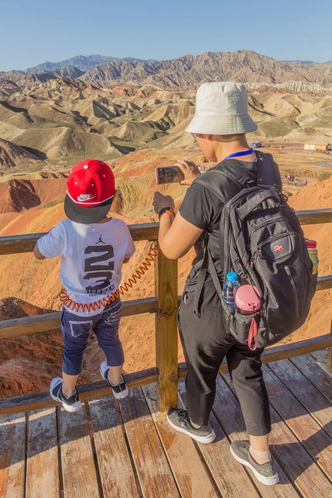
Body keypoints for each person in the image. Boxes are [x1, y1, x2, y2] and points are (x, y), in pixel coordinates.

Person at [152, 82, 280, 486]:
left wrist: (165, 212)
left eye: (197, 135)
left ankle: (198, 424)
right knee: (248, 368)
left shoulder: (206, 188)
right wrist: (203, 178)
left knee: (202, 366)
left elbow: (172, 249)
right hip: (256, 296)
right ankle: (261, 457)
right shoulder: (269, 166)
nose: (195, 140)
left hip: (211, 301)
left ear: (208, 134)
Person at [34, 159, 135, 412]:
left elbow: (38, 252)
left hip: (78, 308)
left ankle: (68, 395)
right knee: (111, 342)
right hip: (110, 302)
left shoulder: (66, 230)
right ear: (110, 198)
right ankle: (117, 382)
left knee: (74, 349)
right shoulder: (120, 228)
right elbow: (128, 255)